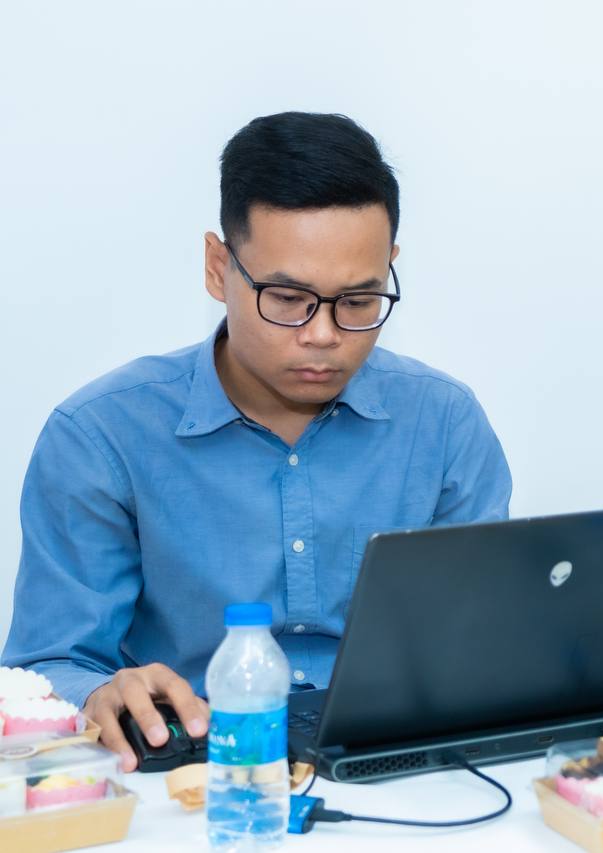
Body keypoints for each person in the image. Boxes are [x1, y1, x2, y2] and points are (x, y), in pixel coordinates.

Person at [2, 112, 512, 769]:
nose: (323, 335)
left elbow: (482, 641)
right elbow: (48, 664)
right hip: (192, 776)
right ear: (219, 269)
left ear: (389, 268)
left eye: (358, 301)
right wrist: (98, 693)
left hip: (401, 771)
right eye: (288, 297)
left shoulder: (444, 423)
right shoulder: (101, 436)